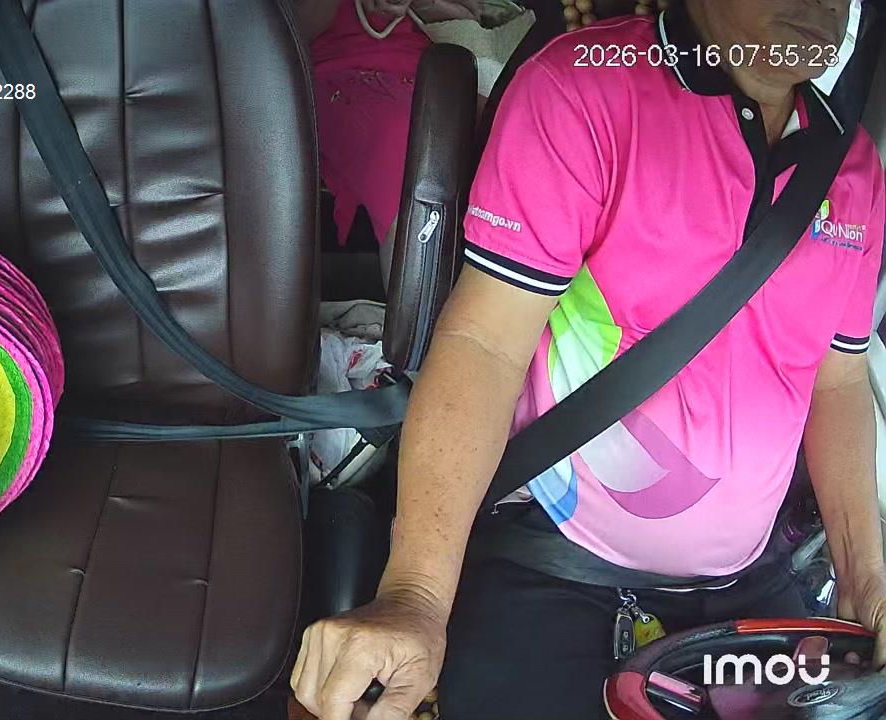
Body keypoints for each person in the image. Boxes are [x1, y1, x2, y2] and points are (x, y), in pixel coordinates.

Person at [291, 1, 886, 718]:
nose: (822, 5)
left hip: (748, 588)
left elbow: (838, 379)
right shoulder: (584, 88)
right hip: (556, 563)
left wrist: (868, 581)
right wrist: (415, 597)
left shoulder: (853, 168)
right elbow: (485, 344)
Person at [297, 0, 477, 288]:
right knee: (405, 145)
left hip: (433, 73)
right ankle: (420, 308)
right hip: (337, 71)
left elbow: (469, 19)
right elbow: (282, 27)